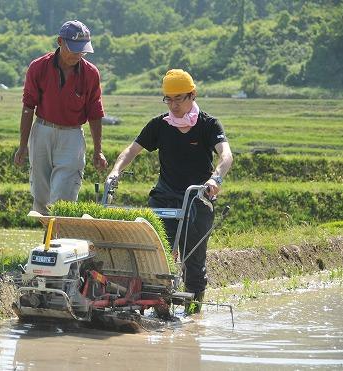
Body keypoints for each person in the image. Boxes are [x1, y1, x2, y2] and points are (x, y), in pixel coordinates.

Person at [106, 69, 233, 313]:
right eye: (168, 99)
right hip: (164, 196)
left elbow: (226, 155)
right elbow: (131, 151)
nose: (173, 105)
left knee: (193, 261)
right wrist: (115, 171)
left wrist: (215, 178)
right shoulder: (159, 125)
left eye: (179, 98)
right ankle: (156, 309)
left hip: (197, 198)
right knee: (153, 254)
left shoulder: (208, 125)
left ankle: (193, 314)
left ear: (192, 95)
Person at [14, 20, 108, 215]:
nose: (77, 54)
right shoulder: (38, 67)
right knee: (40, 195)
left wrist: (98, 150)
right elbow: (28, 107)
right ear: (59, 41)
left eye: (82, 50)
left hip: (72, 136)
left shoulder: (91, 74)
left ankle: (59, 241)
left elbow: (95, 112)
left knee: (64, 195)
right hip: (42, 132)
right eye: (73, 49)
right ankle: (46, 242)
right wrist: (23, 145)